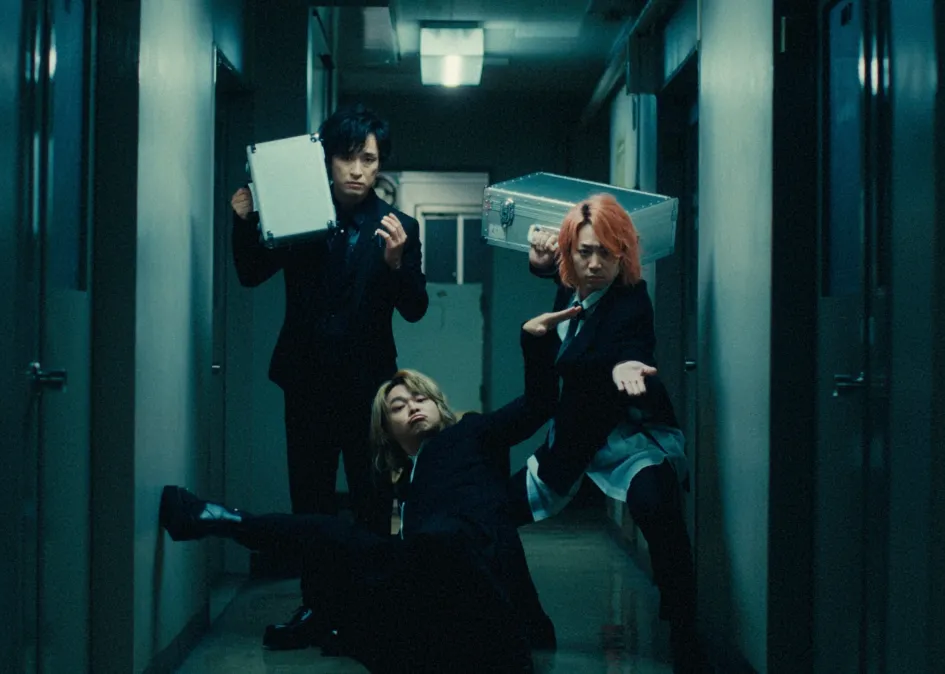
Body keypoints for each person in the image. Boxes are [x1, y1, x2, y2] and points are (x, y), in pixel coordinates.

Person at [159, 307, 576, 673]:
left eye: (420, 399)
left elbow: (538, 405)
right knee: (335, 534)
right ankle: (223, 520)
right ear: (388, 431)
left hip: (476, 570)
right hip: (433, 590)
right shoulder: (405, 485)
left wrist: (534, 342)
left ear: (438, 406)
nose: (413, 407)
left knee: (422, 544)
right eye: (398, 407)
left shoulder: (471, 432)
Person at [229, 103, 428, 649]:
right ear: (328, 160)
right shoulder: (299, 213)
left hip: (370, 392)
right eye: (347, 157)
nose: (359, 170)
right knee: (311, 502)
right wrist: (243, 221)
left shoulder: (400, 227)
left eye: (370, 159)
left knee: (371, 501)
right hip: (307, 383)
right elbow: (250, 273)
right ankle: (316, 608)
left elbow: (415, 309)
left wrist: (396, 263)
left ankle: (368, 612)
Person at [507, 195, 703, 672]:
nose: (595, 264)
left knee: (656, 505)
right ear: (569, 253)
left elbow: (633, 343)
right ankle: (526, 618)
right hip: (575, 433)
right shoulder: (570, 285)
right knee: (494, 511)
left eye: (607, 254)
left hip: (628, 432)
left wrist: (624, 366)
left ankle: (685, 628)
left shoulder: (633, 299)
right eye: (585, 252)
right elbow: (559, 276)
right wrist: (540, 262)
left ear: (623, 255)